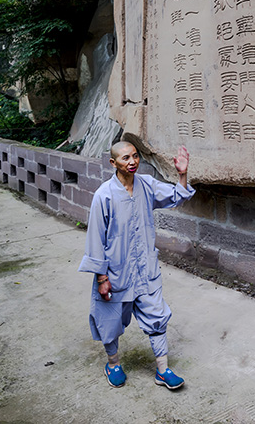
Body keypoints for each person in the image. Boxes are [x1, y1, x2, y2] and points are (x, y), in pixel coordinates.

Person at [78, 141, 194, 390]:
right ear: (113, 163)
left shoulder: (147, 185)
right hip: (115, 273)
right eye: (125, 158)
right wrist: (101, 278)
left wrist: (182, 174)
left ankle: (163, 370)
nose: (132, 162)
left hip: (145, 269)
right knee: (109, 320)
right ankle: (113, 364)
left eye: (135, 156)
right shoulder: (104, 195)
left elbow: (177, 196)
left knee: (157, 315)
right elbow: (95, 239)